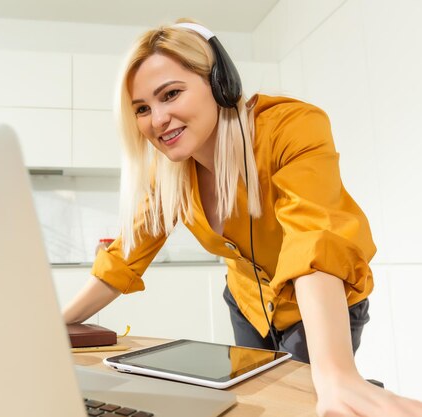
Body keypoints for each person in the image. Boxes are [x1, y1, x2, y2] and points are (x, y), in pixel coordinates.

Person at [63, 19, 422, 417]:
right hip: (247, 302)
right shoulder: (167, 174)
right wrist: (54, 326)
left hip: (319, 298)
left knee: (314, 399)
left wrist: (336, 373)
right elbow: (122, 259)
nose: (158, 119)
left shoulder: (289, 127)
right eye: (143, 109)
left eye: (171, 94)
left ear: (220, 83)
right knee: (254, 404)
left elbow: (314, 243)